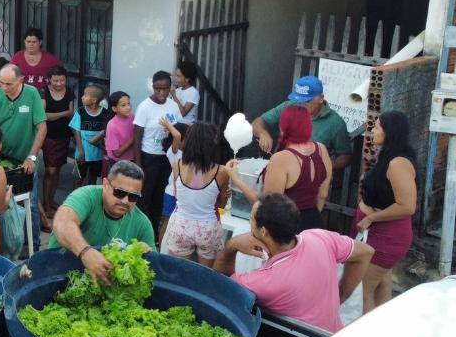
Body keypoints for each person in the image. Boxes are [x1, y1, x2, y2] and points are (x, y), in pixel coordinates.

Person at [216, 193, 373, 333]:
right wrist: (342, 294)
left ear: (264, 231)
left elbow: (218, 285)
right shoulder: (319, 237)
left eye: (251, 219)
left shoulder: (264, 282)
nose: (249, 223)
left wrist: (232, 245)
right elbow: (366, 252)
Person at [49, 160, 156, 284]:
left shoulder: (142, 224)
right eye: (119, 192)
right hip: (59, 274)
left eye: (133, 196)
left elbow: (153, 269)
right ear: (105, 184)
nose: (126, 201)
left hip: (105, 285)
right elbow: (62, 223)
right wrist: (85, 252)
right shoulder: (87, 196)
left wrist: (142, 255)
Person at [352, 111, 417, 313]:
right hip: (377, 233)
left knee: (363, 289)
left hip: (386, 236)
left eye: (377, 127)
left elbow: (407, 206)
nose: (372, 131)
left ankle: (364, 336)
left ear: (390, 132)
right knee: (382, 284)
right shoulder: (388, 156)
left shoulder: (398, 163)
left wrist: (371, 217)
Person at [230, 105, 332, 231]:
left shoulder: (281, 159)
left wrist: (236, 179)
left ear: (283, 127)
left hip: (288, 229)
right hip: (315, 223)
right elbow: (323, 194)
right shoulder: (321, 149)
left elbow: (268, 206)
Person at [0, 63, 47, 247]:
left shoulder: (32, 94)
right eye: (2, 83)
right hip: (1, 161)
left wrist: (32, 157)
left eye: (10, 84)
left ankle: (32, 245)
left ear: (21, 80)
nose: (5, 88)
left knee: (30, 205)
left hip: (26, 160)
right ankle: (5, 244)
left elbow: (41, 127)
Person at [160, 123, 233, 268]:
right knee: (204, 276)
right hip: (207, 229)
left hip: (181, 225)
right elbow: (221, 205)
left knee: (181, 273)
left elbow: (177, 194)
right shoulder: (223, 171)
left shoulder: (177, 165)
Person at [253, 75, 352, 171]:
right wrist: (263, 133)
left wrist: (322, 166)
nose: (301, 104)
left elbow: (345, 157)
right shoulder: (289, 106)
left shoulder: (335, 123)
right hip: (282, 170)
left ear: (321, 98)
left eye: (307, 101)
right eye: (299, 99)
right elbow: (258, 122)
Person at [132, 70, 179, 235]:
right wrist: (139, 164)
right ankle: (140, 232)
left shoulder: (173, 106)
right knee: (145, 197)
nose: (161, 92)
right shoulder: (144, 107)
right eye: (157, 88)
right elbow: (137, 137)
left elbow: (177, 130)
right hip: (148, 158)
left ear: (170, 88)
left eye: (165, 88)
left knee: (160, 196)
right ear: (153, 87)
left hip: (167, 158)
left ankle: (153, 233)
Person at [41, 65, 74, 222]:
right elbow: (44, 115)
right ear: (50, 80)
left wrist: (62, 115)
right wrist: (64, 114)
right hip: (49, 137)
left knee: (58, 170)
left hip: (64, 136)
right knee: (50, 171)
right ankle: (46, 205)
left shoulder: (70, 91)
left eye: (62, 80)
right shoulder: (44, 91)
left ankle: (51, 200)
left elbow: (72, 114)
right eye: (56, 80)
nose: (59, 83)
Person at [70, 83, 111, 187]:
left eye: (85, 95)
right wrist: (81, 150)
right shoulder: (80, 112)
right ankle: (75, 201)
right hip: (81, 153)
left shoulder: (105, 114)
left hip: (97, 155)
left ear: (94, 100)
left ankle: (90, 201)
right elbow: (76, 131)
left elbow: (106, 133)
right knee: (78, 178)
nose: (82, 97)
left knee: (92, 180)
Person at [104, 91, 136, 172]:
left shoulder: (132, 117)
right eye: (123, 105)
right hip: (118, 163)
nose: (128, 107)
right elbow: (117, 153)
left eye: (129, 103)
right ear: (114, 108)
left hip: (132, 159)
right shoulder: (112, 125)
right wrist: (134, 138)